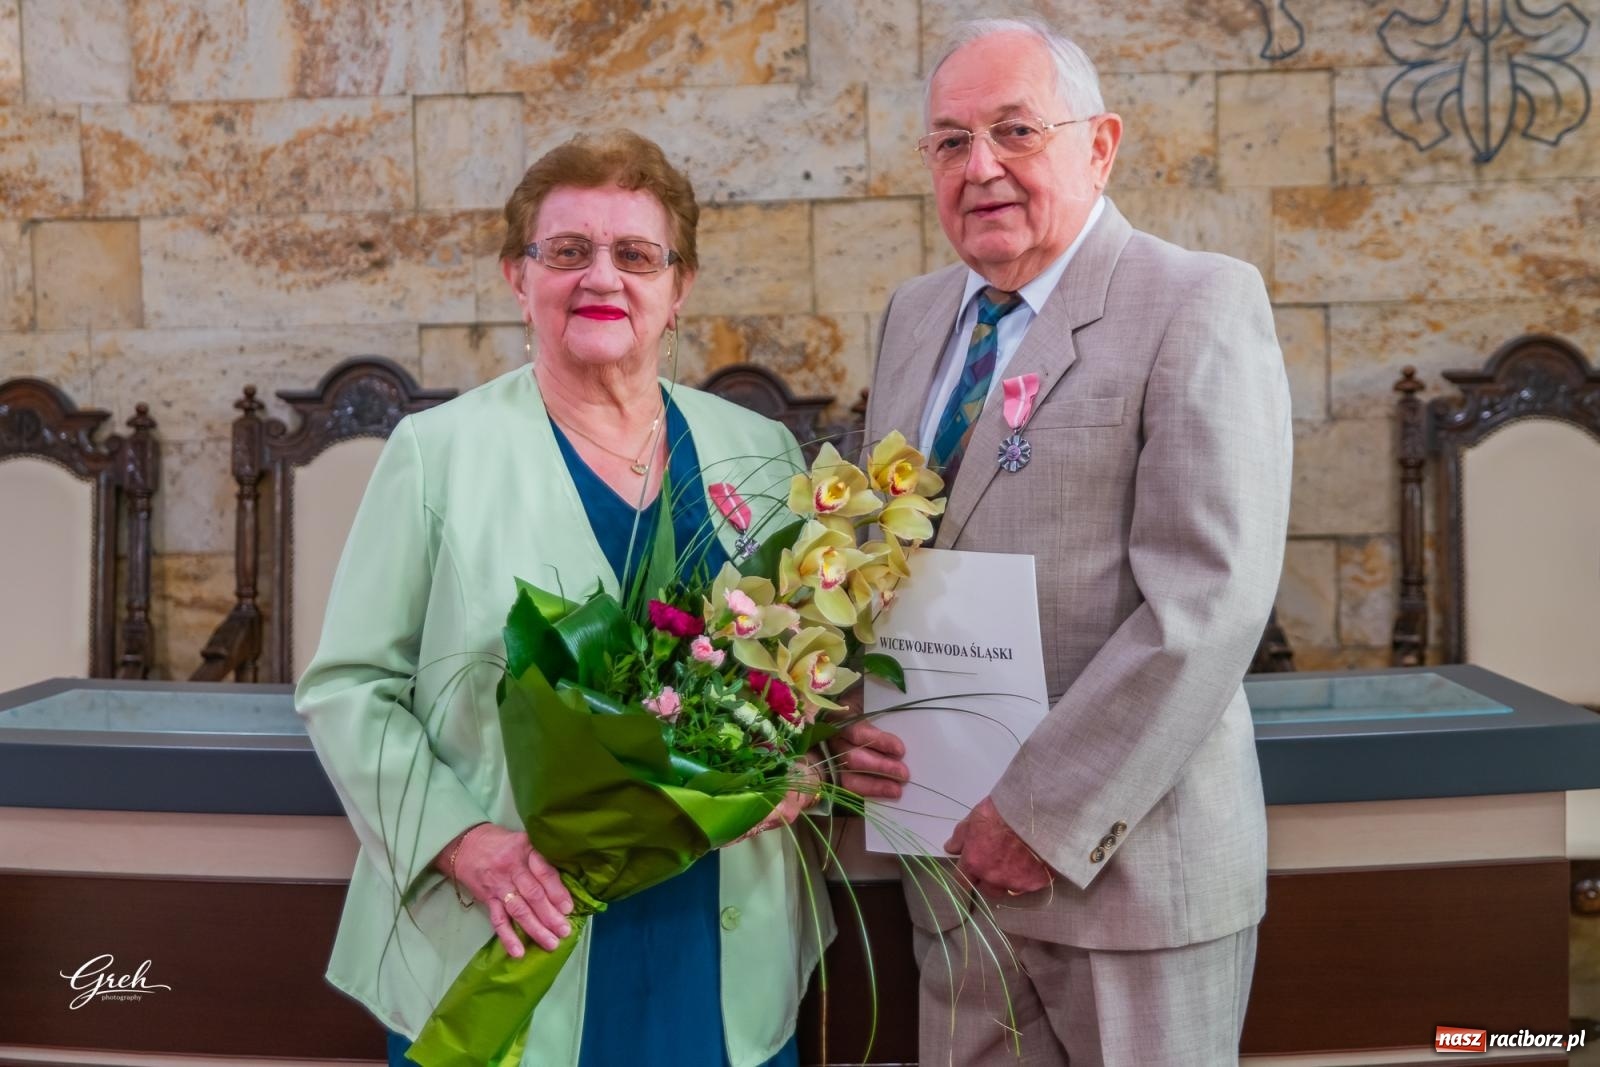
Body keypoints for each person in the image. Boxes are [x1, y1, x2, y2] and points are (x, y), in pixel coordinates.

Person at [296, 129, 831, 1067]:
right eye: (567, 251)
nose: (602, 278)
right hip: (510, 927)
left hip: (717, 942)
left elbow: (800, 673)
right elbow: (348, 687)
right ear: (518, 277)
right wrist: (464, 843)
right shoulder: (438, 455)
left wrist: (803, 762)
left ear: (680, 287)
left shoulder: (763, 454)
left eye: (635, 255)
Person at [833, 16, 1292, 1066]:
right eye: (950, 141)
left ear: (1099, 143)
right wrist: (856, 710)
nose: (979, 167)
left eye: (1014, 131)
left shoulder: (1196, 302)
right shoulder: (915, 316)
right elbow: (888, 561)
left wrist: (1035, 812)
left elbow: (1205, 605)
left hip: (1124, 881)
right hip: (948, 870)